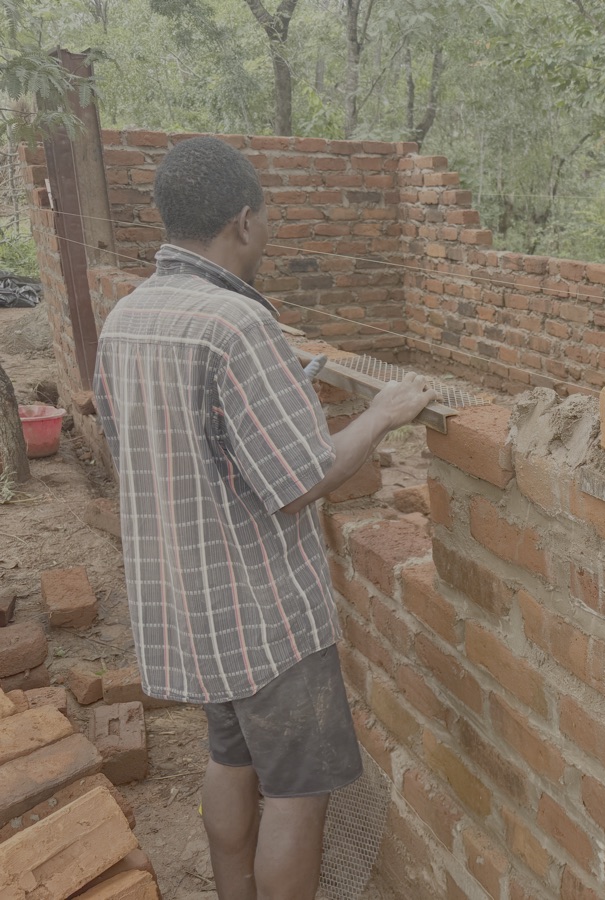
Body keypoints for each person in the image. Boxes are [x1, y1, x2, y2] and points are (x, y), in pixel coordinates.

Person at [93, 136, 434, 900]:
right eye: (268, 218)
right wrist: (382, 414)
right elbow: (300, 476)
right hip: (265, 619)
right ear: (243, 220)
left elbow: (132, 447)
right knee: (298, 793)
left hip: (189, 607)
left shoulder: (126, 318)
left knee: (230, 757)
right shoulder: (235, 325)